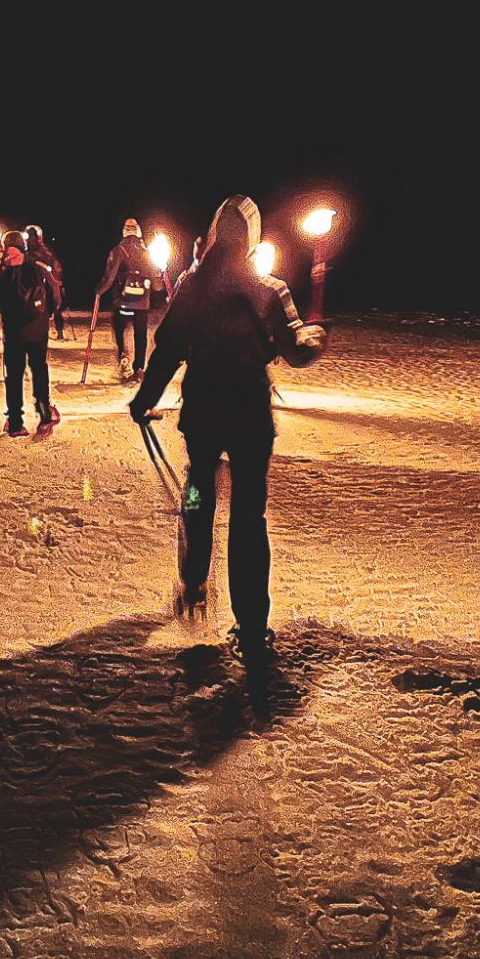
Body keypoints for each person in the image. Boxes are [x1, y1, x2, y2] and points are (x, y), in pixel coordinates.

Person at [129, 195, 325, 658]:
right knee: (248, 517)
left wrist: (144, 400)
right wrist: (312, 340)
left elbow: (168, 350)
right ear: (252, 239)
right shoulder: (269, 290)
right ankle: (252, 623)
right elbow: (294, 351)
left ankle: (194, 578)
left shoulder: (193, 288)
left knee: (198, 493)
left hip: (204, 418)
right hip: (250, 421)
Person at [0, 230, 63, 438]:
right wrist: (49, 314)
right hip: (37, 330)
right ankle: (45, 418)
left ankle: (16, 422)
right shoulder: (39, 268)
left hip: (13, 331)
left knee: (14, 375)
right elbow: (55, 294)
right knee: (39, 372)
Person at [95, 217, 161, 382]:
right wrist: (161, 271)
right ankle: (139, 368)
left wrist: (99, 291)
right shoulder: (147, 252)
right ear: (138, 231)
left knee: (120, 328)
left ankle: (123, 355)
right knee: (141, 334)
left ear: (124, 231)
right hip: (142, 302)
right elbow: (158, 285)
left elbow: (109, 277)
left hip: (122, 300)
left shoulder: (119, 250)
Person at [25, 223, 69, 340]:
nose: (32, 239)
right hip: (33, 282)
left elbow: (55, 266)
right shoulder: (27, 251)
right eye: (30, 237)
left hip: (43, 281)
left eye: (33, 236)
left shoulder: (45, 250)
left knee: (52, 305)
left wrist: (57, 279)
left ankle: (57, 331)